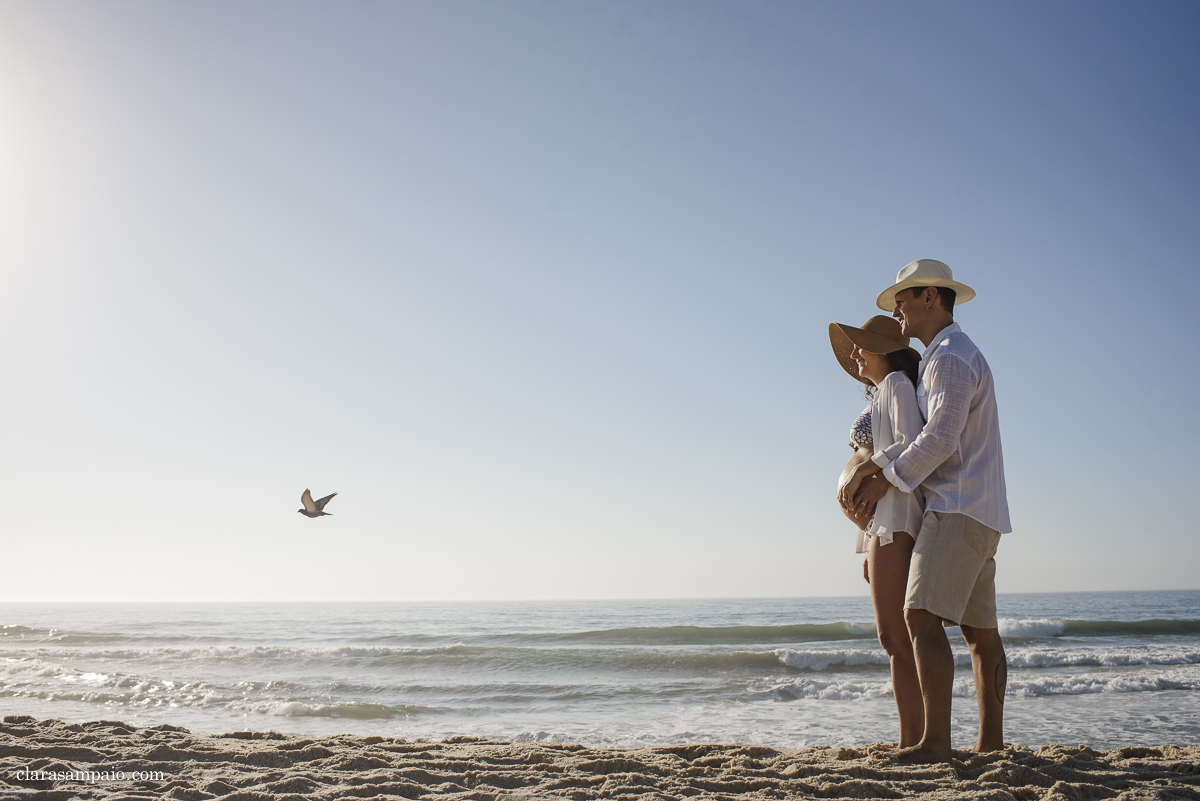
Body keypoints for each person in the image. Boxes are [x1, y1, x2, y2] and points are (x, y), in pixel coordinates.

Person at [840, 259, 1012, 763]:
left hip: (956, 504)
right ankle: (990, 745)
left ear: (931, 297)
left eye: (903, 298)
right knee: (981, 634)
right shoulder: (949, 355)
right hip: (980, 508)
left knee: (918, 615)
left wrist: (881, 478)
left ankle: (934, 744)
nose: (897, 309)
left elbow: (939, 436)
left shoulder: (950, 358)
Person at [829, 315, 926, 749]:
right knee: (893, 637)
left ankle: (916, 741)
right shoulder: (886, 390)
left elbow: (912, 439)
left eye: (861, 347)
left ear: (883, 350)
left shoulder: (899, 386)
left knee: (895, 637)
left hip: (896, 519)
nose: (854, 355)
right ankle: (914, 737)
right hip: (881, 525)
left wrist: (866, 466)